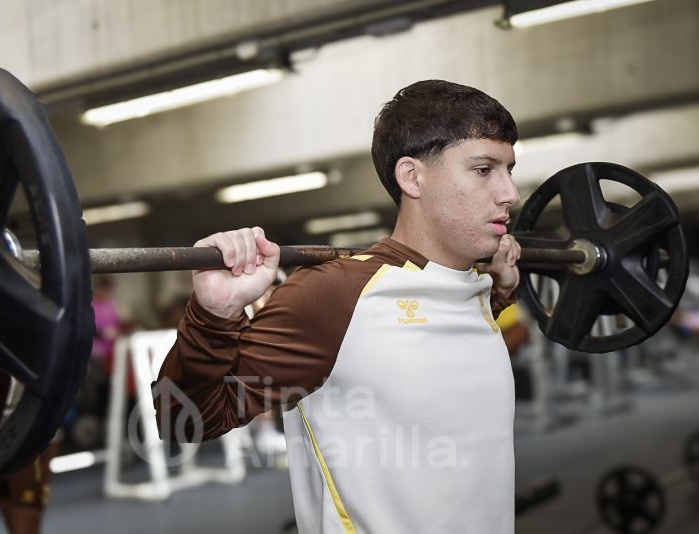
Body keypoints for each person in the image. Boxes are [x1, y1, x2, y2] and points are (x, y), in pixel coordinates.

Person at [154, 80, 522, 532]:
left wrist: (502, 288)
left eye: (509, 169)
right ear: (412, 177)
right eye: (484, 169)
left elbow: (432, 343)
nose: (510, 193)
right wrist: (214, 315)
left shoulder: (472, 287)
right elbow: (182, 423)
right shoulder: (333, 297)